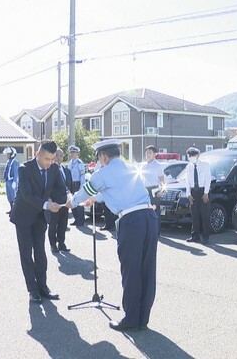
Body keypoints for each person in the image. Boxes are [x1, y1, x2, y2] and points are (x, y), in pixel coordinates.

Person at [70, 139, 158, 332]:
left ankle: (131, 319)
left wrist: (73, 202)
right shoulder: (127, 168)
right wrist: (95, 198)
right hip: (149, 217)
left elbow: (86, 190)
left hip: (132, 222)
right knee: (147, 270)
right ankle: (142, 318)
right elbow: (113, 191)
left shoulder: (103, 172)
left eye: (99, 158)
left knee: (131, 271)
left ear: (103, 156)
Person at [10, 141, 66, 304]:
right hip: (23, 216)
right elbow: (27, 195)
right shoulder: (24, 169)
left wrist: (65, 201)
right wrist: (47, 204)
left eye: (52, 159)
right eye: (47, 159)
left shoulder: (54, 168)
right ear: (38, 154)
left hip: (40, 217)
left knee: (40, 253)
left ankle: (43, 287)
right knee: (26, 253)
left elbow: (60, 190)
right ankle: (32, 290)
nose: (50, 163)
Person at [184, 147, 211, 243]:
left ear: (198, 155)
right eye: (189, 156)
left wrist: (206, 193)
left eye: (193, 155)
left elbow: (208, 179)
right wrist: (188, 195)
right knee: (194, 215)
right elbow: (187, 181)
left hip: (203, 191)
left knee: (205, 215)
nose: (191, 157)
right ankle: (195, 236)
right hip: (193, 192)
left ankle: (205, 236)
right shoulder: (188, 167)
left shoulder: (205, 165)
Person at [48, 148, 72, 253]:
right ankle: (53, 245)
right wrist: (50, 200)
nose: (59, 157)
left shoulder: (66, 170)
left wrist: (70, 198)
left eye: (61, 155)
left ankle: (61, 243)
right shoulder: (50, 169)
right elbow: (47, 187)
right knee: (53, 224)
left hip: (65, 202)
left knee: (63, 224)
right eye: (57, 155)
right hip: (54, 202)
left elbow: (69, 186)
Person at [140, 145, 165, 235]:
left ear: (154, 154)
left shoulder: (158, 165)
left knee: (155, 211)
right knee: (145, 211)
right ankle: (147, 231)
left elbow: (162, 179)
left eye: (150, 152)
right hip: (145, 190)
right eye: (146, 153)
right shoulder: (143, 166)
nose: (148, 154)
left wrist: (162, 190)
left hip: (155, 190)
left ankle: (156, 231)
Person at [68, 145, 86, 226]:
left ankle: (81, 220)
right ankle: (76, 219)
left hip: (77, 183)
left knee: (79, 203)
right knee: (72, 202)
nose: (72, 154)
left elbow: (82, 175)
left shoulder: (80, 163)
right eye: (71, 152)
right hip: (71, 184)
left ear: (77, 153)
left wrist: (81, 186)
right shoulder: (70, 163)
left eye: (73, 152)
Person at [3, 147, 20, 215]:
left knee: (13, 197)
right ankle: (11, 209)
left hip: (12, 181)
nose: (7, 155)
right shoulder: (8, 161)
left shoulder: (15, 162)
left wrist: (15, 182)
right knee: (9, 197)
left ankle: (14, 211)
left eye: (8, 154)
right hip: (8, 181)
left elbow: (16, 172)